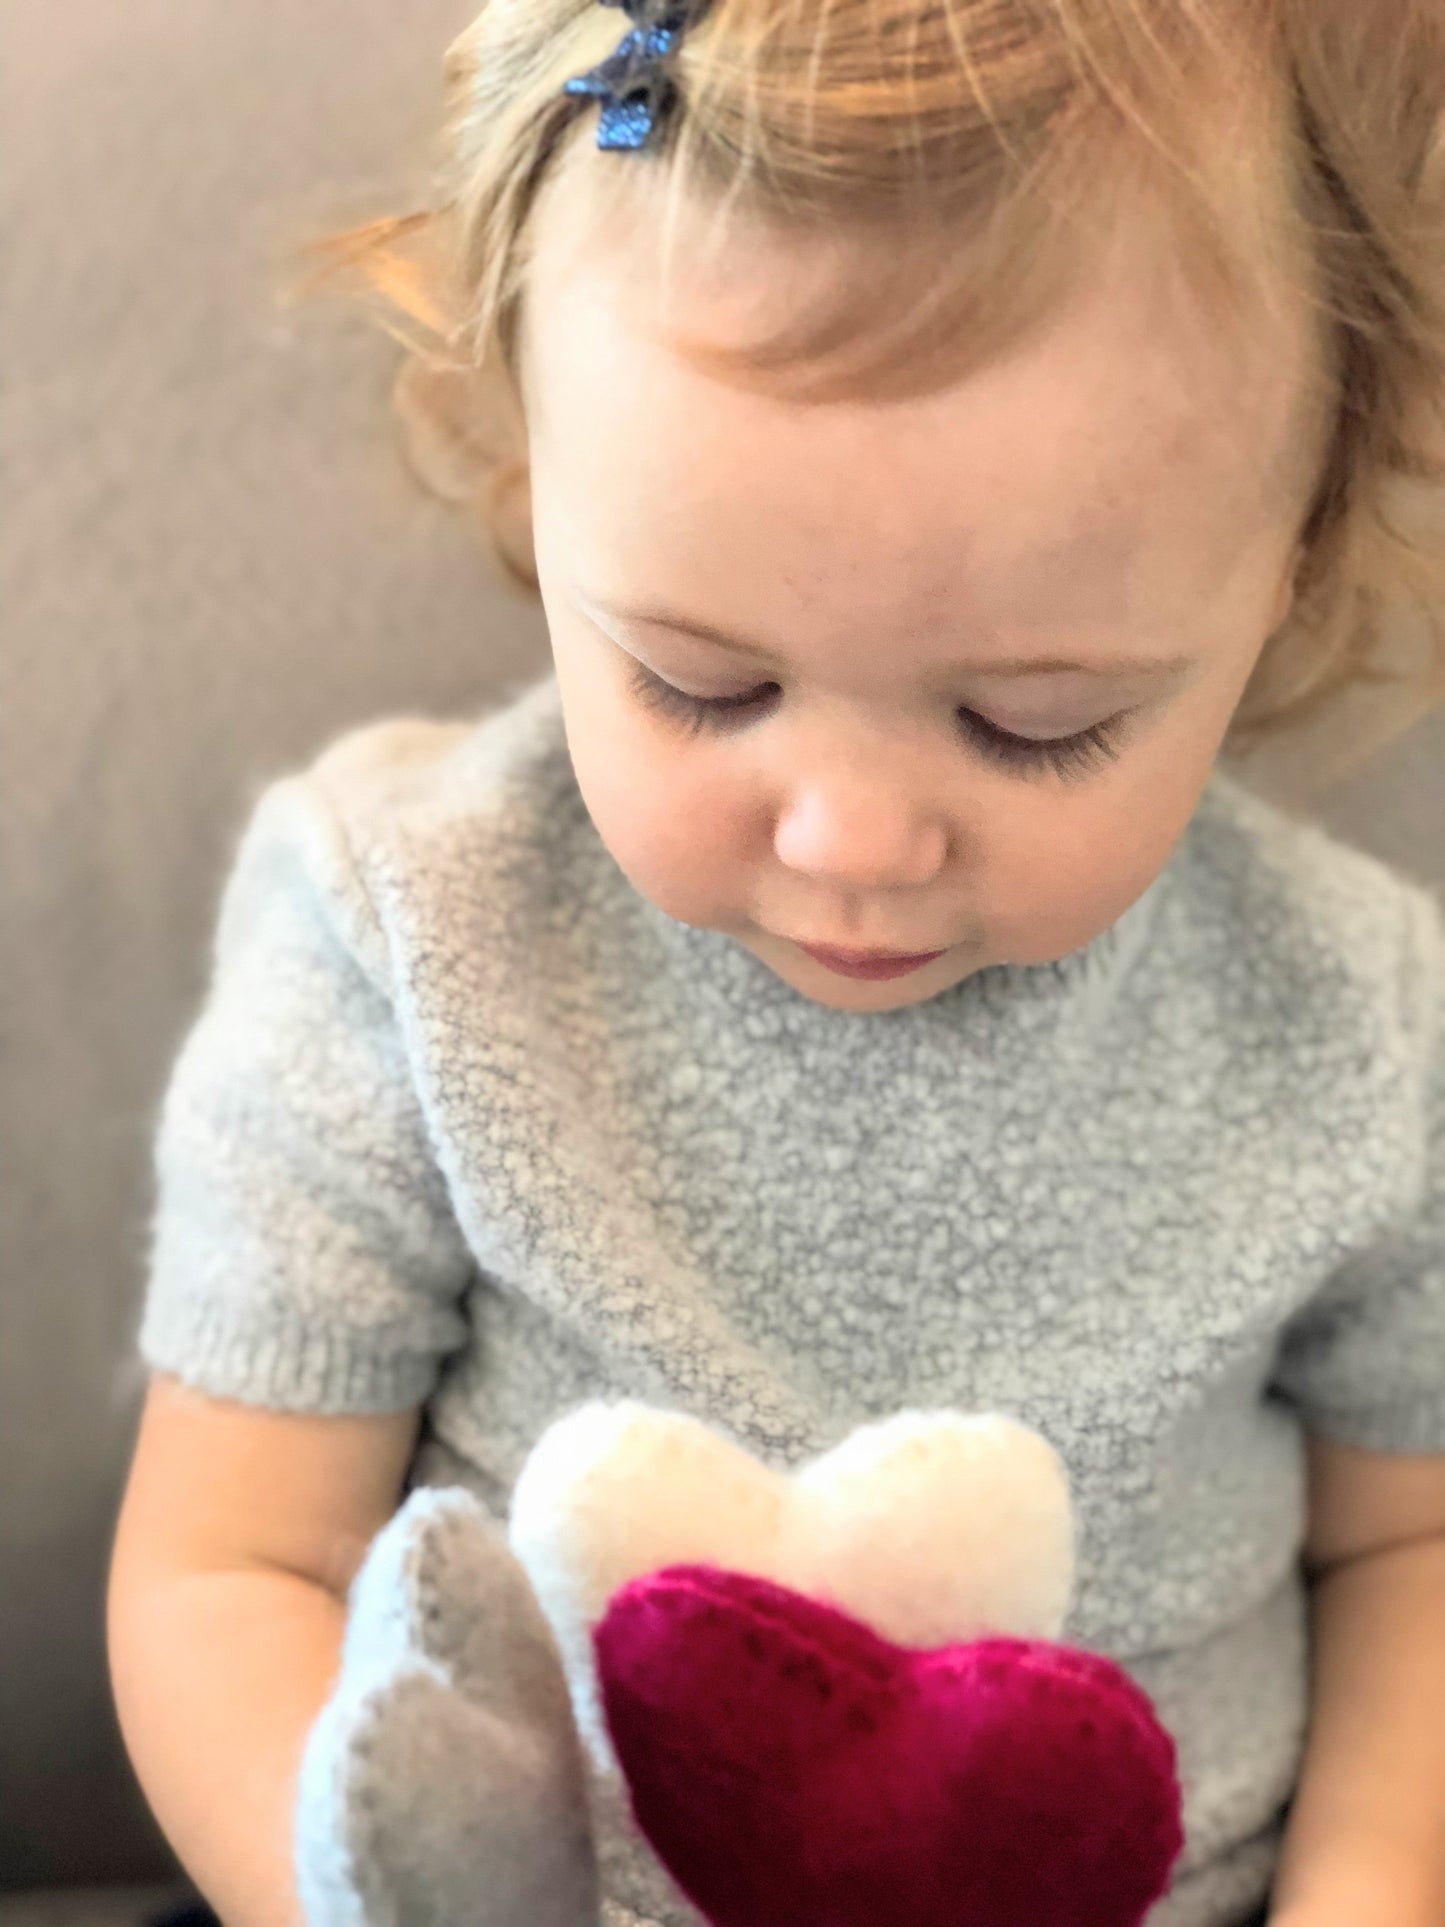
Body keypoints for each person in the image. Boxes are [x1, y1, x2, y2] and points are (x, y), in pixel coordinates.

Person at [107, 1, 1445, 1924]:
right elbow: (230, 1570)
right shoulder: (410, 934)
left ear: (1285, 568)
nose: (851, 840)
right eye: (703, 685)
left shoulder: (1345, 1015)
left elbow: (1407, 1545)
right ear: (532, 472)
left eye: (1031, 717)